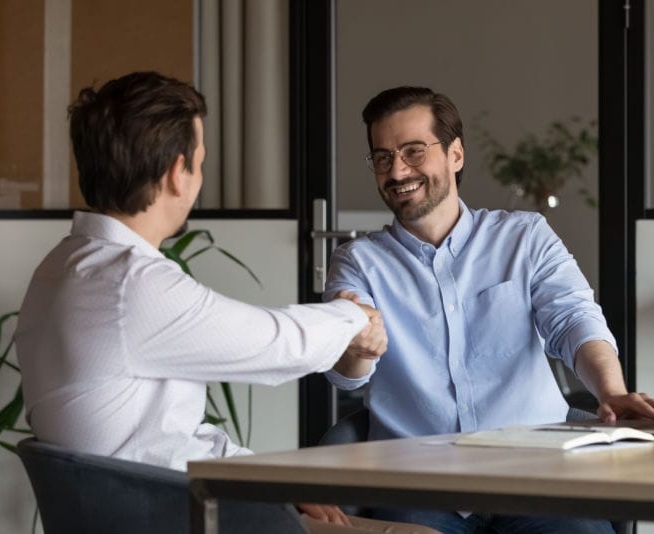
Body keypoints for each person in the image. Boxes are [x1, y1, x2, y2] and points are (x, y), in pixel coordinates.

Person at [14, 72, 439, 534]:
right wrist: (355, 318)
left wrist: (277, 481)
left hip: (151, 508)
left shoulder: (62, 267)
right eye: (199, 163)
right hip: (177, 519)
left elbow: (164, 440)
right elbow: (274, 342)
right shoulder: (129, 283)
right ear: (177, 173)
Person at [323, 86, 654, 534]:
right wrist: (358, 348)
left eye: (414, 151)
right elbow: (347, 373)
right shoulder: (358, 262)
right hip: (418, 487)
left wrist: (610, 392)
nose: (397, 171)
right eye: (383, 158)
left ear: (455, 154)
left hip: (538, 477)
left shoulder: (525, 237)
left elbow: (573, 319)